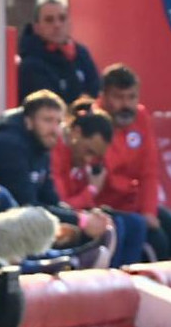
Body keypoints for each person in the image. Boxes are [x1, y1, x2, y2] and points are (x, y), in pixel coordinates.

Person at [98, 65, 171, 260]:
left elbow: (149, 171)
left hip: (136, 206)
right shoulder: (93, 122)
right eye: (118, 97)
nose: (126, 105)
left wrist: (148, 211)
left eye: (131, 97)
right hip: (106, 209)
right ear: (103, 97)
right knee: (158, 242)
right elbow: (106, 177)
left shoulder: (141, 116)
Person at [0, 91, 116, 257]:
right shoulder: (9, 145)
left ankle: (72, 259)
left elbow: (50, 199)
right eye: (47, 120)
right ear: (28, 121)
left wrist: (82, 216)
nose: (54, 129)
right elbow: (23, 205)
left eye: (58, 122)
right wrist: (81, 221)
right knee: (33, 219)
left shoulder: (42, 146)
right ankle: (63, 261)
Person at [50, 98, 148, 267]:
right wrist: (92, 190)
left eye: (95, 156)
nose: (89, 160)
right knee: (114, 227)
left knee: (136, 223)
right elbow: (61, 204)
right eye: (88, 151)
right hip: (60, 215)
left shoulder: (86, 162)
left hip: (78, 212)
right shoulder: (55, 151)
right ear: (76, 133)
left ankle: (125, 283)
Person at [18, 0, 101, 103]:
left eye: (62, 18)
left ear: (70, 23)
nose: (57, 25)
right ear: (37, 28)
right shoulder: (30, 64)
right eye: (49, 20)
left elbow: (96, 90)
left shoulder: (82, 54)